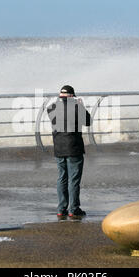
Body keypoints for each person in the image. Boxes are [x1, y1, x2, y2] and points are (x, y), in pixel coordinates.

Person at [47, 85, 92, 219]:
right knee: (74, 180)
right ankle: (73, 209)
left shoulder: (51, 108)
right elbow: (88, 122)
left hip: (59, 148)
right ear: (72, 96)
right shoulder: (77, 107)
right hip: (74, 148)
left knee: (62, 178)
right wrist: (81, 105)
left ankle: (61, 209)